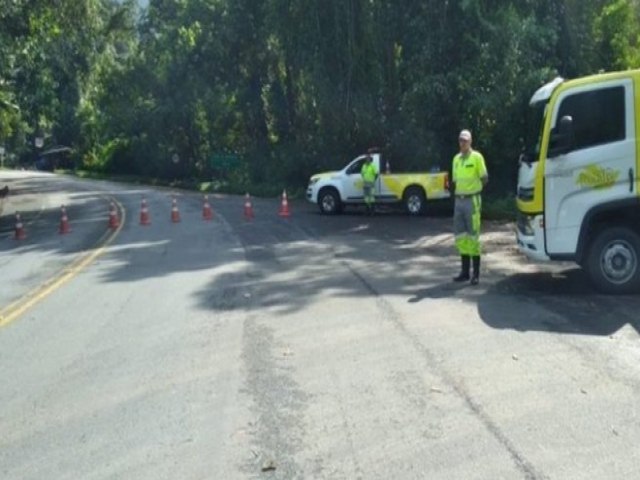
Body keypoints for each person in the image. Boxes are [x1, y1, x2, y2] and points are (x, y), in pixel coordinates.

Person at [451, 129, 488, 285]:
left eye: (465, 140)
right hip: (459, 201)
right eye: (461, 140)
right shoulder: (456, 159)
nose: (462, 143)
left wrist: (475, 191)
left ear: (470, 141)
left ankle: (476, 274)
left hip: (472, 200)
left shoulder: (477, 157)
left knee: (473, 236)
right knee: (461, 237)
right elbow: (455, 180)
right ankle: (465, 272)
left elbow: (485, 178)